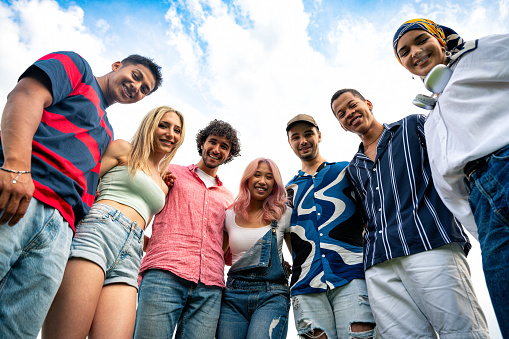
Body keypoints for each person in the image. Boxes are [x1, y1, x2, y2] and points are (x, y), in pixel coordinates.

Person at [0, 51, 162, 338]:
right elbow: (26, 95)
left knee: (18, 327)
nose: (136, 88)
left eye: (144, 90)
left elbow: (92, 185)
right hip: (24, 197)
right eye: (136, 76)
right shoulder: (77, 68)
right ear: (116, 66)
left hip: (61, 231)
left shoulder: (107, 134)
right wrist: (16, 166)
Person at [330, 88, 489, 338]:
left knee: (462, 331)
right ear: (341, 125)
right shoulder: (353, 168)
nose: (349, 113)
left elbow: (452, 159)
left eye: (352, 105)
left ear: (368, 103)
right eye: (341, 113)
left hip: (429, 243)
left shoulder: (412, 126)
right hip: (379, 264)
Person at [392, 18, 509, 336]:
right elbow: (448, 185)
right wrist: (480, 231)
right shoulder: (430, 121)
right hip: (483, 206)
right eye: (404, 52)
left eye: (421, 40)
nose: (414, 52)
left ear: (440, 40)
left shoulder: (478, 54)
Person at [40, 106, 184, 338]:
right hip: (99, 230)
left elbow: (143, 218)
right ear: (150, 126)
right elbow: (87, 184)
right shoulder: (123, 149)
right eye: (164, 125)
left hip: (132, 252)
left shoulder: (164, 183)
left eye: (177, 130)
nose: (171, 134)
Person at [133, 119, 241, 339]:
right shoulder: (169, 172)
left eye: (224, 146)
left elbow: (229, 253)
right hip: (164, 275)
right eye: (213, 142)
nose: (217, 149)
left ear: (229, 155)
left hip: (209, 288)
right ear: (202, 143)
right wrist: (146, 243)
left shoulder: (229, 199)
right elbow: (141, 208)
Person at [285, 114, 376, 339]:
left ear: (319, 135)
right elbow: (287, 236)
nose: (303, 141)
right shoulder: (286, 191)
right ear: (290, 143)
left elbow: (370, 214)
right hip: (306, 283)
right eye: (295, 137)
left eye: (308, 134)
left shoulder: (346, 171)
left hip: (352, 274)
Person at [216, 157, 292, 339]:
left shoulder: (284, 214)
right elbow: (217, 256)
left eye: (269, 177)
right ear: (247, 179)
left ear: (275, 184)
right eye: (257, 175)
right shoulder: (229, 214)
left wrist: (283, 265)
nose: (262, 181)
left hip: (271, 296)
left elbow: (299, 256)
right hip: (233, 295)